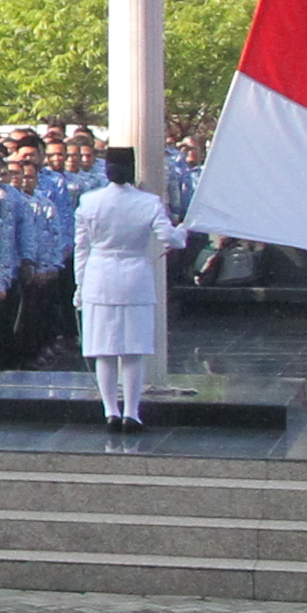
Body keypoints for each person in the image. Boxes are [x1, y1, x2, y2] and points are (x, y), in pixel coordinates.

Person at [69, 145, 177, 429]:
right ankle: (131, 412)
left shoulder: (89, 201)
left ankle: (110, 411)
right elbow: (171, 239)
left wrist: (79, 285)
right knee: (132, 350)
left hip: (99, 276)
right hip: (135, 278)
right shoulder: (149, 202)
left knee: (104, 350)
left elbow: (81, 249)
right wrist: (185, 230)